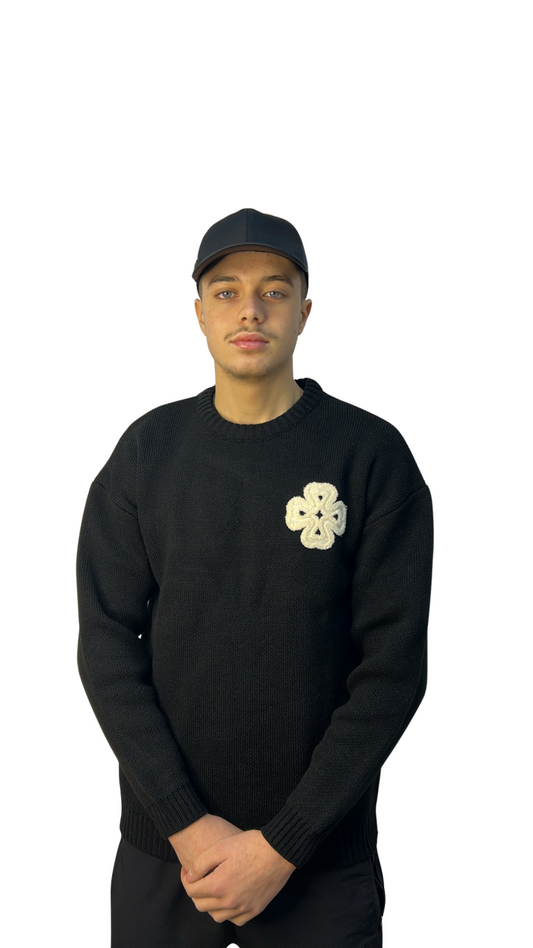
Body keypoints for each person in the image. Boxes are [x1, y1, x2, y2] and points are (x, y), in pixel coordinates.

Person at [76, 207, 433, 948]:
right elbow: (107, 647)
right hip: (168, 857)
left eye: (274, 291)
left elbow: (392, 671)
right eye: (227, 291)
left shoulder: (370, 457)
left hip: (319, 860)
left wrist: (284, 843)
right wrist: (185, 823)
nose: (250, 309)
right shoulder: (146, 453)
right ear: (199, 314)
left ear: (304, 312)